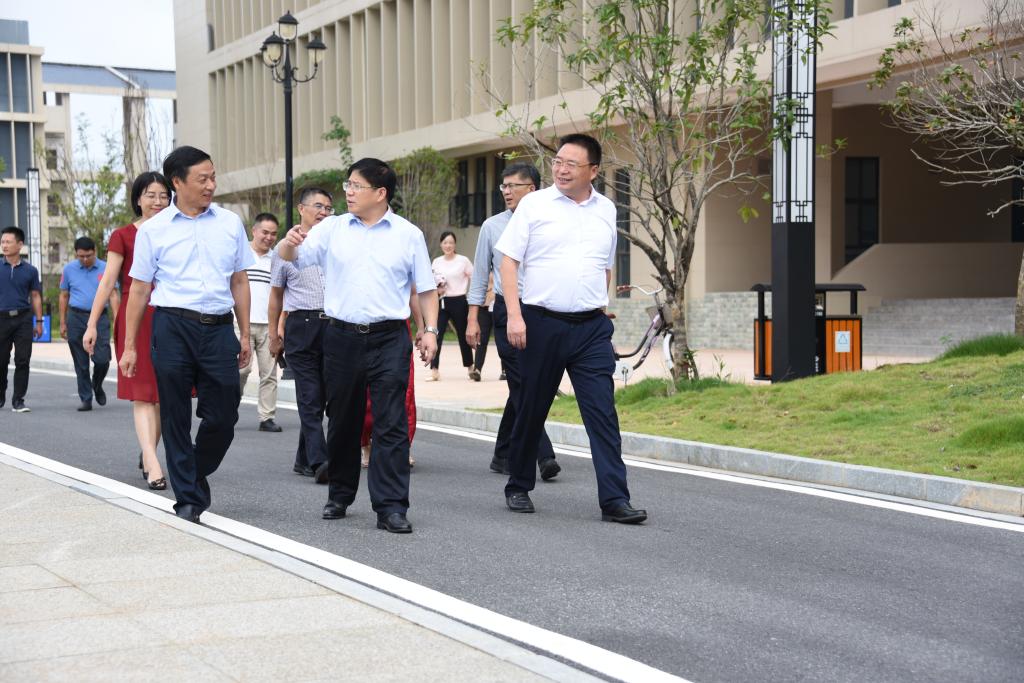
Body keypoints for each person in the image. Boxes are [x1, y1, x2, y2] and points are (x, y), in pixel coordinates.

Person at [279, 157, 439, 534]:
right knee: (344, 419)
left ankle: (391, 506)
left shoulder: (408, 235)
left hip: (389, 337)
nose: (348, 192)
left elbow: (426, 289)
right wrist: (287, 244)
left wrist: (430, 330)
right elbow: (293, 258)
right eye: (347, 184)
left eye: (356, 185)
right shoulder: (332, 229)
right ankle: (340, 493)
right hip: (340, 336)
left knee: (391, 422)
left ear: (380, 193)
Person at [495, 134, 646, 524]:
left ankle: (615, 499)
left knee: (602, 413)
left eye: (571, 164)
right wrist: (515, 315)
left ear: (593, 171)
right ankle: (518, 484)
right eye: (557, 162)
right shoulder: (535, 204)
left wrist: (601, 306)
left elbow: (604, 265)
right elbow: (508, 261)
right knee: (532, 408)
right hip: (540, 322)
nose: (561, 169)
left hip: (591, 328)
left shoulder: (606, 209)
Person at [120, 146, 254, 524]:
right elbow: (140, 290)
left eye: (213, 177)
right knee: (175, 414)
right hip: (172, 326)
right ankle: (189, 501)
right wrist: (130, 346)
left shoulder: (229, 223)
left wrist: (245, 334)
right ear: (177, 182)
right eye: (202, 179)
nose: (211, 185)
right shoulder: (154, 230)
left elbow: (239, 280)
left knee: (223, 415)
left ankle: (192, 469)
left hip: (218, 327)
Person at [466, 163, 561, 480]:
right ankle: (544, 454)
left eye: (512, 186)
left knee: (527, 384)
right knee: (522, 381)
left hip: (542, 311)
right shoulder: (492, 226)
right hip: (508, 310)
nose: (505, 191)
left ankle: (502, 453)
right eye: (503, 186)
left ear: (532, 189)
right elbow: (480, 275)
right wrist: (473, 319)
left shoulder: (549, 222)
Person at [84, 172, 173, 490]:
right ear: (138, 199)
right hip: (135, 321)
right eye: (151, 195)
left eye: (164, 195)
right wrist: (92, 323)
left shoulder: (177, 232)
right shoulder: (123, 235)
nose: (158, 201)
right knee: (142, 393)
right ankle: (152, 461)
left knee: (163, 396)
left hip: (171, 319)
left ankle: (148, 450)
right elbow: (108, 281)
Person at [268, 188, 333, 482]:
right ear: (301, 209)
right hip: (301, 325)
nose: (323, 212)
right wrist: (274, 334)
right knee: (309, 395)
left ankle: (303, 458)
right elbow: (275, 295)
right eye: (318, 206)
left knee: (324, 396)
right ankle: (320, 461)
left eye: (328, 208)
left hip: (333, 327)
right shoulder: (285, 249)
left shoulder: (334, 245)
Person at [59, 237, 118, 412]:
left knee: (102, 359)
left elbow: (113, 295)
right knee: (81, 362)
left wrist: (117, 320)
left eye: (88, 256)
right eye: (81, 256)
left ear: (95, 252)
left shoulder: (106, 268)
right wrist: (62, 322)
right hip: (76, 317)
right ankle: (86, 398)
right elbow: (63, 296)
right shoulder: (69, 269)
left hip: (100, 318)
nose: (85, 259)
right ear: (76, 254)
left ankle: (97, 384)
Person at [240, 212, 282, 433]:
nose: (269, 237)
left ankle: (267, 417)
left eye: (273, 234)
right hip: (241, 323)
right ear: (254, 231)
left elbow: (281, 295)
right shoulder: (240, 254)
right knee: (241, 370)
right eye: (265, 232)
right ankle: (228, 410)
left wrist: (278, 328)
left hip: (268, 325)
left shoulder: (277, 259)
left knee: (269, 373)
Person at [0, 226, 43, 413]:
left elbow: (35, 296)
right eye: (2, 242)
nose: (4, 245)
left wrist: (39, 322)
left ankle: (18, 400)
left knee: (23, 360)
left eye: (8, 242)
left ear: (19, 245)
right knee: (1, 360)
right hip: (1, 319)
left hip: (23, 319)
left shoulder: (31, 271)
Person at [427, 231, 475, 381]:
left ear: (455, 244)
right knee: (437, 334)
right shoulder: (436, 261)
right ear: (441, 244)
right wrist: (437, 289)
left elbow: (475, 277)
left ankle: (470, 367)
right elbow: (430, 280)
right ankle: (434, 370)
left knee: (462, 335)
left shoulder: (463, 261)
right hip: (441, 301)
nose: (448, 245)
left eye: (451, 243)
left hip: (459, 301)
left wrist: (472, 297)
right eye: (445, 243)